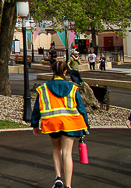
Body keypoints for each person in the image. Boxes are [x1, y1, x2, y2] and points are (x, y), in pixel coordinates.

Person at [32, 60, 89, 188]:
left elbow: (37, 108)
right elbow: (81, 109)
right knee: (67, 153)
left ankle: (58, 177)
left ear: (53, 71)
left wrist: (35, 124)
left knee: (56, 149)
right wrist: (86, 127)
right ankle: (68, 185)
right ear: (65, 72)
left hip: (52, 123)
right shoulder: (73, 88)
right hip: (71, 123)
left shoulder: (44, 88)